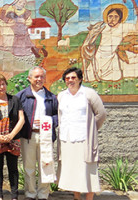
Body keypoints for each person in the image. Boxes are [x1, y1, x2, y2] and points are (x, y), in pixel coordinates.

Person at [57, 67, 107, 200]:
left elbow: (101, 114)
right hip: (67, 140)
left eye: (73, 78)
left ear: (79, 79)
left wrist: (91, 130)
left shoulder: (89, 94)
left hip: (84, 140)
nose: (70, 80)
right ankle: (76, 197)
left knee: (86, 170)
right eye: (67, 78)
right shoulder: (62, 96)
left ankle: (89, 198)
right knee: (73, 171)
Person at [15, 66, 58, 200]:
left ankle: (43, 194)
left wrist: (50, 121)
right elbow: (13, 110)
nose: (39, 79)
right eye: (36, 76)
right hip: (29, 136)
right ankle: (30, 194)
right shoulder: (21, 96)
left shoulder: (51, 97)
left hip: (46, 136)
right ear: (29, 78)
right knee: (29, 167)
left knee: (46, 165)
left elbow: (57, 115)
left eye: (41, 77)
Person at [82, 4, 138, 81]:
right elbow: (91, 36)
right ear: (107, 17)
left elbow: (136, 28)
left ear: (120, 18)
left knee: (115, 77)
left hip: (112, 56)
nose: (112, 19)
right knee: (91, 76)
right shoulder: (103, 27)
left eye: (116, 17)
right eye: (110, 16)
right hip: (99, 55)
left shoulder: (123, 27)